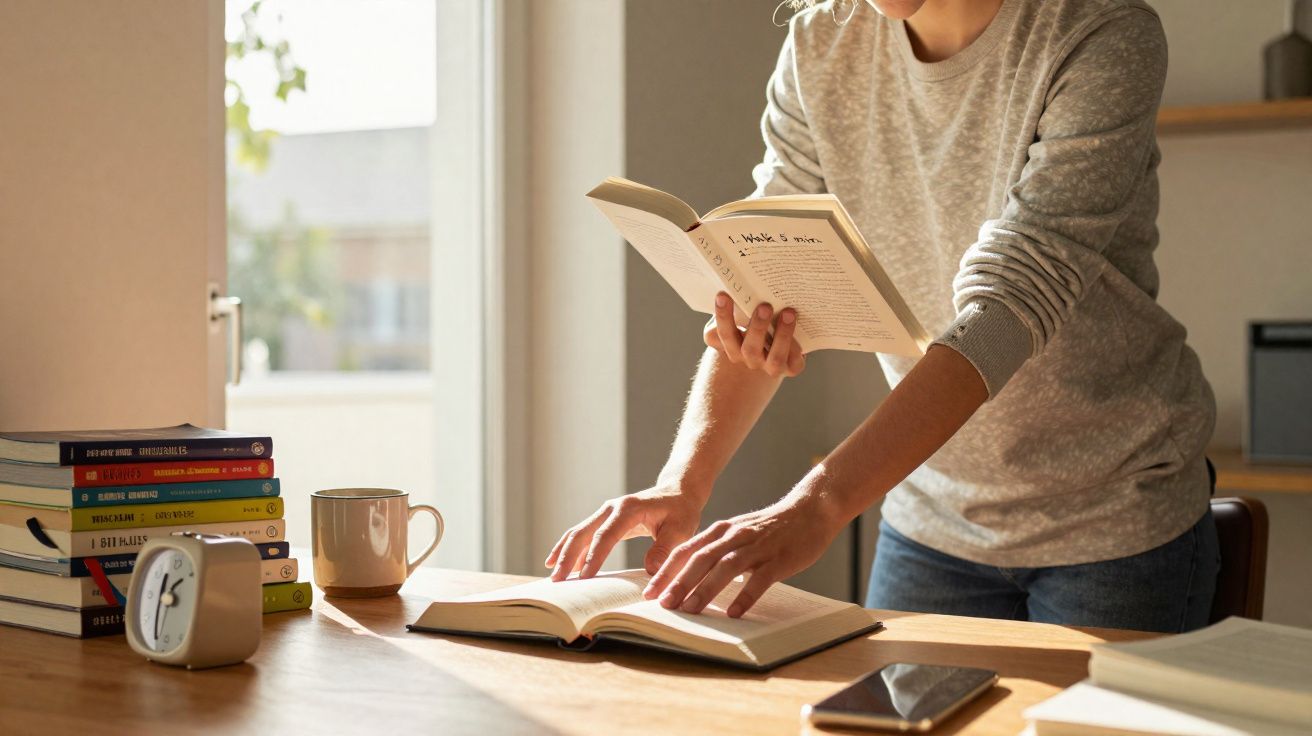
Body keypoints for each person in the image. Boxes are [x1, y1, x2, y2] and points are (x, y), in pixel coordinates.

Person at [546, 0, 1220, 633]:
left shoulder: (1101, 32)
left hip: (1115, 517)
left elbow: (1013, 301)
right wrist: (683, 483)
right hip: (929, 517)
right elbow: (767, 279)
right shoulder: (821, 43)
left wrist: (819, 504)